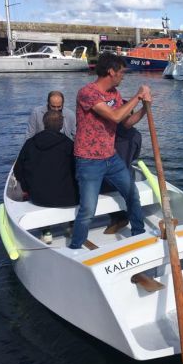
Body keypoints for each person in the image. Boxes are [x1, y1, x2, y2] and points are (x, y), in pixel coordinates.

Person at [69, 53, 152, 250]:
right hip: (89, 160)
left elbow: (126, 122)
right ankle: (76, 247)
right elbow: (114, 117)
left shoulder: (114, 94)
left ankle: (138, 233)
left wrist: (145, 108)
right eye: (121, 72)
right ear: (111, 71)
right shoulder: (87, 93)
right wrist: (137, 96)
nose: (123, 76)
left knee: (132, 194)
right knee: (88, 209)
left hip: (110, 157)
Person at [14, 110, 78, 208]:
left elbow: (18, 170)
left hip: (37, 198)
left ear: (44, 123)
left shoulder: (30, 143)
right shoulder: (69, 145)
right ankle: (72, 223)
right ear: (61, 125)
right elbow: (79, 170)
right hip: (67, 198)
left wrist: (27, 187)